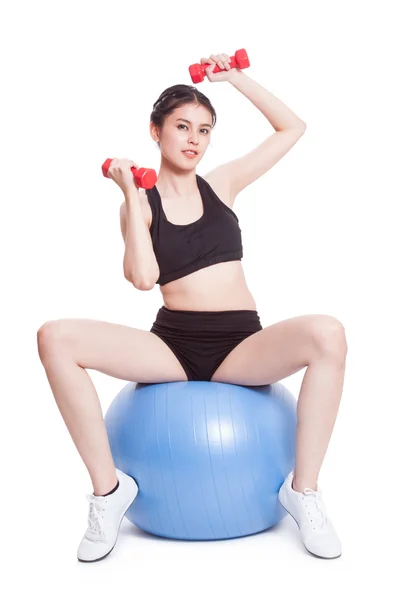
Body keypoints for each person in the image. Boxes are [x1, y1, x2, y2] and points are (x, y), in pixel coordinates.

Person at [37, 53, 347, 563]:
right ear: (155, 131)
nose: (194, 139)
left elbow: (292, 128)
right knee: (54, 337)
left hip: (242, 345)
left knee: (329, 333)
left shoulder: (222, 184)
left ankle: (305, 492)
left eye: (204, 130)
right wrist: (132, 200)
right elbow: (142, 278)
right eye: (182, 126)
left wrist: (234, 79)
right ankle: (107, 494)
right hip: (173, 346)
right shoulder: (138, 204)